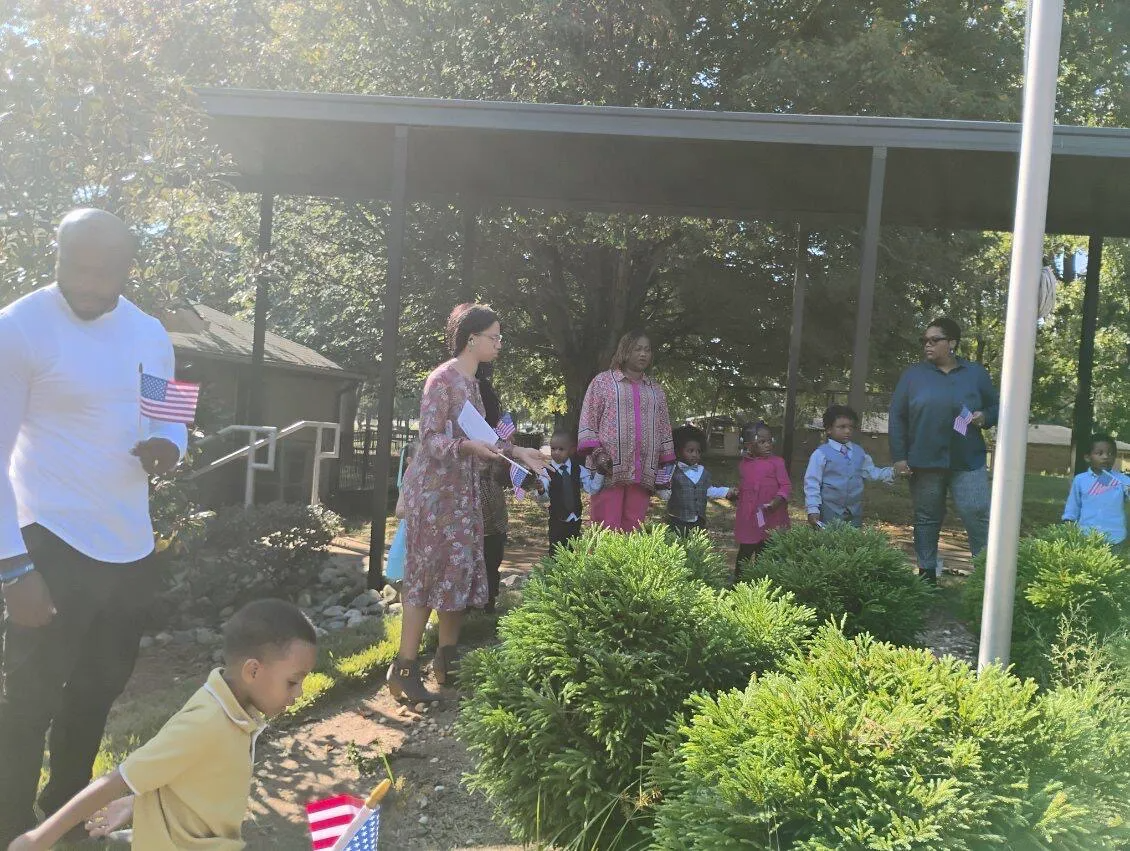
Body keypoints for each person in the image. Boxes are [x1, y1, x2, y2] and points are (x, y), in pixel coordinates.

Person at [0, 209, 188, 846]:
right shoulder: (19, 327)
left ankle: (65, 823)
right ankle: (8, 827)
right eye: (73, 263)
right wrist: (14, 566)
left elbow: (168, 418)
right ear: (56, 255)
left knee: (95, 694)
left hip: (130, 548)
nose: (86, 280)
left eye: (102, 268)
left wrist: (169, 447)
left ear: (127, 267)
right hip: (47, 541)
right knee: (27, 704)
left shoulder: (149, 332)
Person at [6, 599, 318, 851]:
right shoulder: (206, 722)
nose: (298, 693)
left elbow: (183, 772)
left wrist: (137, 804)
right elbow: (116, 780)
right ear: (253, 671)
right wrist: (40, 838)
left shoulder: (233, 706)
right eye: (292, 681)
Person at [390, 304, 547, 703]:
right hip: (436, 495)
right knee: (428, 574)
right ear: (471, 338)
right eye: (493, 337)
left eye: (499, 337)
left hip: (463, 495)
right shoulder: (441, 380)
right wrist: (467, 447)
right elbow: (430, 439)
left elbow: (486, 437)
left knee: (457, 572)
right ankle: (404, 668)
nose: (498, 344)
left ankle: (447, 660)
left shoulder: (475, 385)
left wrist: (518, 452)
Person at [889, 317, 999, 584]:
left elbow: (996, 407)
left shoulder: (975, 373)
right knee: (927, 518)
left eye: (934, 340)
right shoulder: (913, 375)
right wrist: (900, 457)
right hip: (925, 460)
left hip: (967, 459)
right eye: (924, 341)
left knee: (977, 513)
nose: (927, 345)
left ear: (952, 343)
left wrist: (983, 417)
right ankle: (927, 576)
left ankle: (985, 578)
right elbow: (897, 416)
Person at [577, 330, 676, 532]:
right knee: (605, 527)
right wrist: (598, 454)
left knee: (633, 528)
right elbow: (588, 419)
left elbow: (664, 427)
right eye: (637, 349)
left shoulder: (655, 390)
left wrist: (665, 466)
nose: (643, 354)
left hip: (643, 471)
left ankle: (626, 564)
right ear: (625, 351)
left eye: (647, 350)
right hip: (608, 469)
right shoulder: (603, 382)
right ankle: (600, 565)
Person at [804, 405, 897, 529]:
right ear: (828, 429)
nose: (847, 431)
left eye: (850, 427)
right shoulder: (820, 454)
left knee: (852, 546)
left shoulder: (859, 452)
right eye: (842, 427)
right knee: (829, 546)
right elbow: (812, 483)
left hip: (854, 514)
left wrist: (894, 472)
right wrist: (812, 508)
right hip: (828, 513)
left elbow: (871, 472)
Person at [733, 421, 791, 575]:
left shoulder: (777, 463)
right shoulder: (744, 464)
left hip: (771, 515)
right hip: (750, 517)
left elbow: (785, 485)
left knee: (766, 551)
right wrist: (736, 494)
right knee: (745, 551)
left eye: (770, 441)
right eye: (762, 442)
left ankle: (761, 583)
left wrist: (777, 501)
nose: (768, 445)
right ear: (749, 445)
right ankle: (738, 583)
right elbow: (745, 486)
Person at [659, 425, 735, 536]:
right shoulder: (672, 470)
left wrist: (727, 491)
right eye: (690, 451)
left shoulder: (703, 472)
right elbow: (664, 490)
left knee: (696, 548)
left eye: (698, 451)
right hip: (677, 520)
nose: (695, 454)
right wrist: (663, 491)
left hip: (699, 522)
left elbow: (708, 491)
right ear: (679, 451)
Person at [476, 363, 510, 613]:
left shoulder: (483, 391)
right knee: (488, 557)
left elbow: (503, 471)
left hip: (490, 508)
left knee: (489, 556)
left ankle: (486, 602)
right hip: (482, 507)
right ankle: (484, 602)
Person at [535, 430, 604, 553]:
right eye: (553, 448)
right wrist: (541, 490)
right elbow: (543, 498)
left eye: (561, 449)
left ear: (572, 450)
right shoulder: (546, 471)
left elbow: (592, 488)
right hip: (557, 520)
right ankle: (554, 572)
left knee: (573, 551)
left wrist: (600, 473)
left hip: (575, 520)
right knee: (556, 552)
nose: (556, 452)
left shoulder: (578, 469)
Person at [1062, 434, 1130, 546]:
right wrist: (1069, 527)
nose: (1105, 457)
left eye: (1110, 453)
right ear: (1088, 457)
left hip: (1116, 538)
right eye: (1100, 453)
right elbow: (1073, 506)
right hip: (1085, 536)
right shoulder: (1080, 480)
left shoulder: (1122, 480)